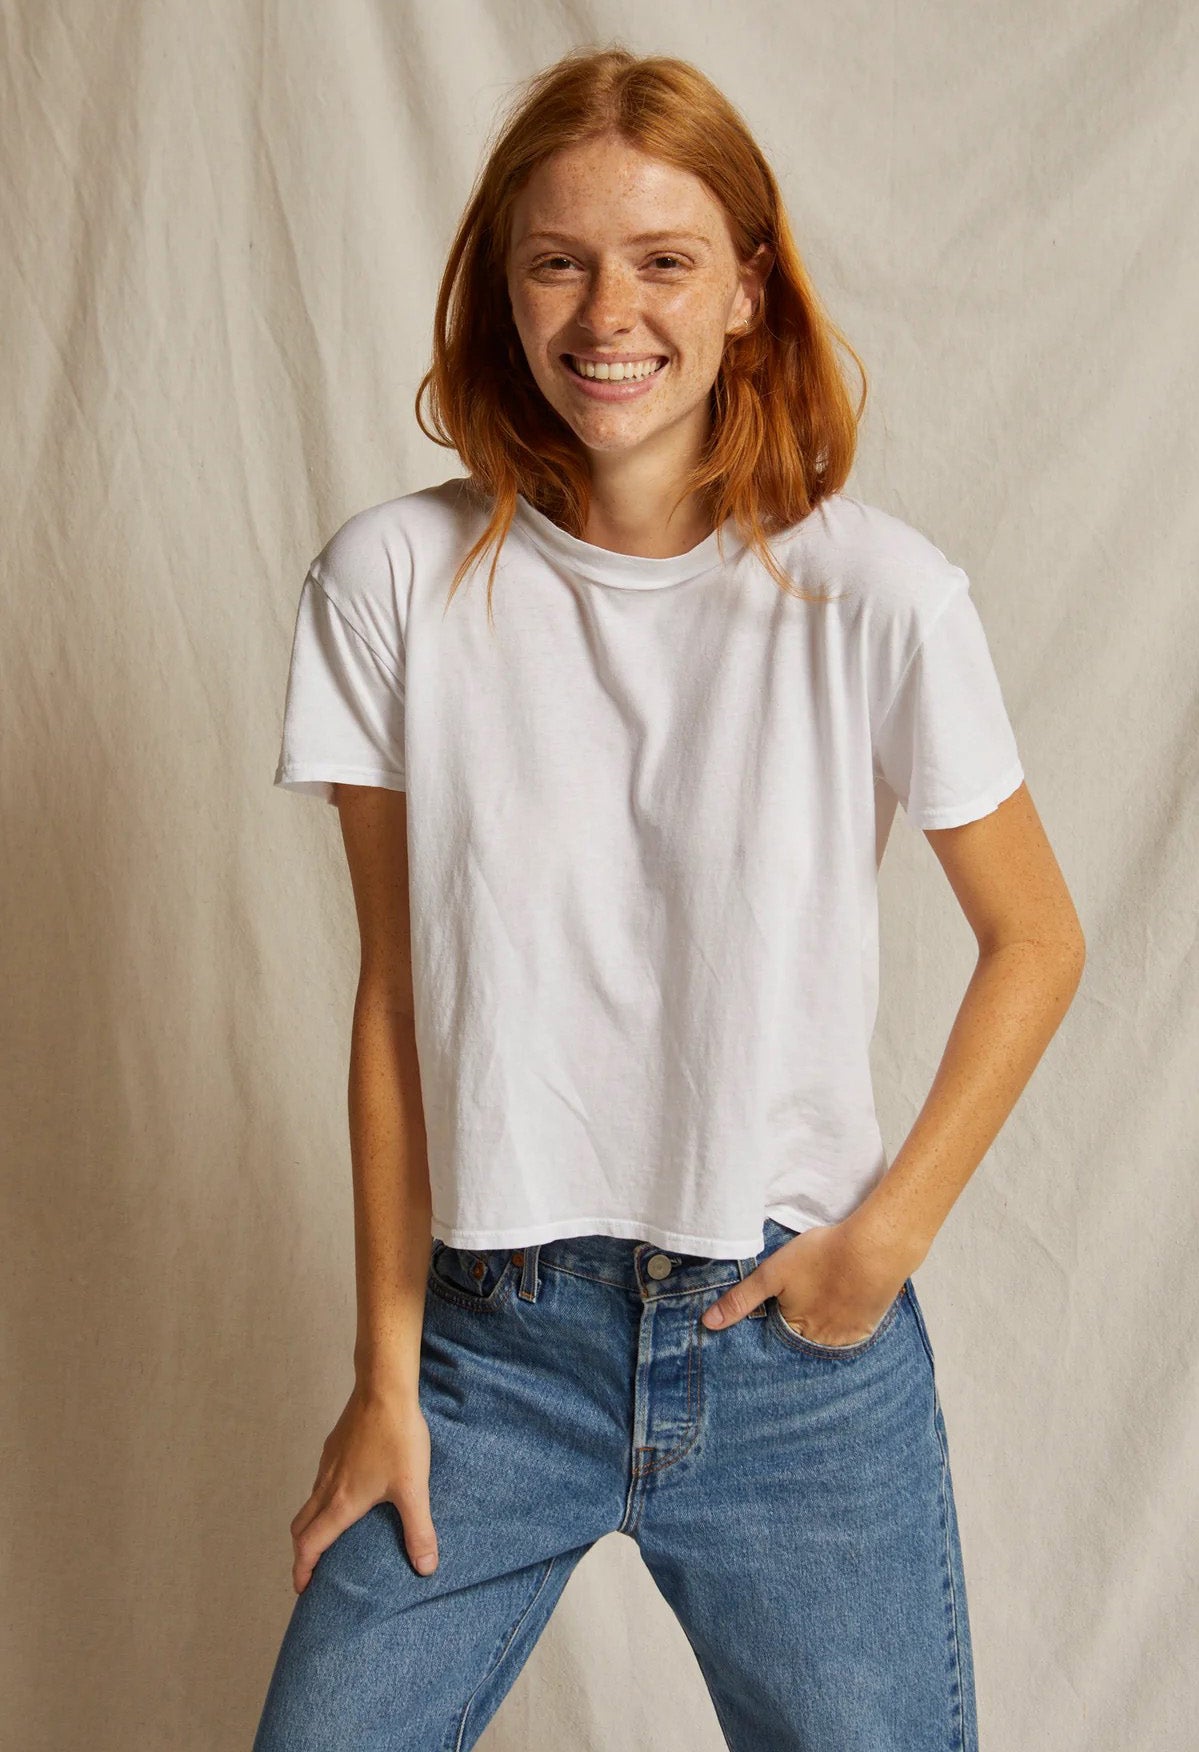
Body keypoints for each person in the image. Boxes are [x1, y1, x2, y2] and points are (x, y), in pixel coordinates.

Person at [251, 44, 1085, 1752]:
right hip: (495, 1344)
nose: (607, 312)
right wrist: (385, 1374)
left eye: (663, 260)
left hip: (790, 1353)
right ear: (503, 291)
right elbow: (395, 997)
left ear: (748, 294)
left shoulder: (879, 596)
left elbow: (1038, 939)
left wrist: (885, 1239)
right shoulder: (393, 582)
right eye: (557, 262)